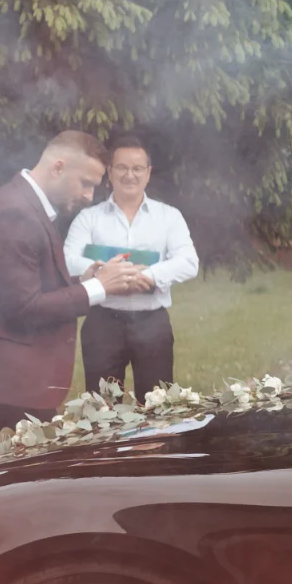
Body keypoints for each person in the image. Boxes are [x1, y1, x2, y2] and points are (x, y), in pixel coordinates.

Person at [0, 132, 154, 451]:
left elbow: (28, 288)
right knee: (16, 472)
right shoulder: (14, 213)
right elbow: (24, 308)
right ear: (58, 167)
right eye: (85, 183)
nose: (89, 196)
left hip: (13, 378)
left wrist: (83, 280)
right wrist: (98, 287)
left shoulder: (26, 204)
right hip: (4, 381)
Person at [63, 134, 198, 397]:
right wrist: (110, 275)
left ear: (148, 173)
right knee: (101, 407)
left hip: (152, 322)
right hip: (102, 323)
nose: (129, 175)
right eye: (122, 168)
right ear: (110, 172)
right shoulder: (89, 218)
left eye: (137, 168)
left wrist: (150, 275)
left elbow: (188, 261)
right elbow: (69, 260)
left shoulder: (168, 217)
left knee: (157, 405)